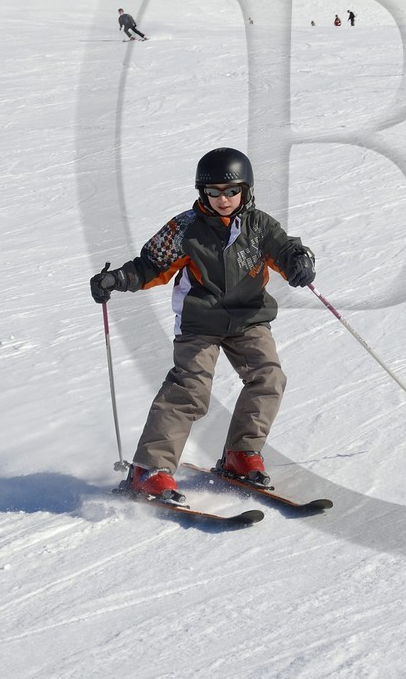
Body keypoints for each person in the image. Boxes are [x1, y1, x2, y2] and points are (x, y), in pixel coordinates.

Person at [89, 148, 317, 500]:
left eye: (231, 191)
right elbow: (150, 265)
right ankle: (149, 468)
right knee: (190, 390)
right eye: (213, 192)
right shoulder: (185, 228)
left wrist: (300, 261)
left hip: (249, 318)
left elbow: (286, 250)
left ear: (246, 190)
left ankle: (241, 455)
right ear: (202, 193)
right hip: (200, 321)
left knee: (269, 377)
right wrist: (117, 279)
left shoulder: (259, 226)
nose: (222, 200)